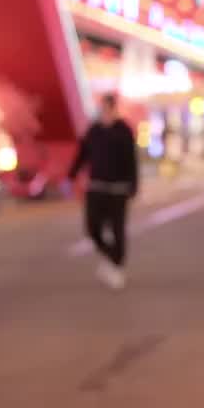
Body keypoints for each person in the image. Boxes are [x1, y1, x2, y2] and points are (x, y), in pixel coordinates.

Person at [68, 94, 138, 290]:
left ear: (114, 109)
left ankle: (117, 267)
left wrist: (133, 185)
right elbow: (83, 154)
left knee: (117, 229)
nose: (105, 113)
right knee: (92, 228)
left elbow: (132, 160)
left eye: (108, 109)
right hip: (96, 187)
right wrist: (72, 174)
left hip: (118, 189)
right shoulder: (94, 130)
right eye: (103, 109)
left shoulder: (124, 130)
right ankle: (111, 257)